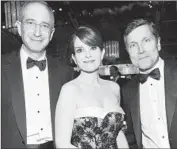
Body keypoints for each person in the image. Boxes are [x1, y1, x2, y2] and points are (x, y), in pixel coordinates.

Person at [1, 1, 73, 148]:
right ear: (19, 27)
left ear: (52, 33)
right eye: (30, 23)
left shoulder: (66, 73)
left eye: (44, 25)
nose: (37, 32)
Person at [55, 25, 129, 148]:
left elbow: (118, 134)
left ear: (102, 53)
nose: (87, 55)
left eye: (93, 48)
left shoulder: (114, 88)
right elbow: (62, 144)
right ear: (74, 58)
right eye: (80, 50)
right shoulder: (69, 90)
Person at [122, 18, 177, 148]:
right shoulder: (127, 90)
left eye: (146, 41)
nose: (140, 50)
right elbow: (132, 138)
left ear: (158, 43)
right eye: (133, 45)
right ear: (128, 52)